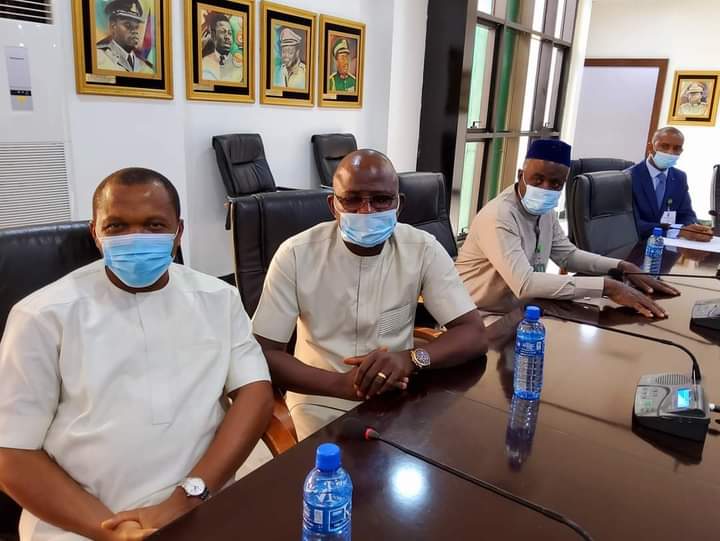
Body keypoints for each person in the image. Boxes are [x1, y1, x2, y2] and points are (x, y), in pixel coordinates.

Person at [0, 168, 273, 541]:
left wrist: (185, 499)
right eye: (116, 226)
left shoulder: (218, 298)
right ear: (95, 234)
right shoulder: (42, 316)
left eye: (154, 225)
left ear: (178, 232)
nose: (136, 238)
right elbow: (12, 453)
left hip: (201, 508)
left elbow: (255, 393)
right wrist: (116, 531)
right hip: (77, 527)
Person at [252, 150, 486, 439]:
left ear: (398, 204)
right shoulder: (296, 255)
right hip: (319, 399)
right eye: (352, 199)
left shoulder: (423, 249)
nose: (366, 211)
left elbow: (473, 333)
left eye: (381, 199)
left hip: (398, 395)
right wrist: (341, 384)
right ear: (333, 205)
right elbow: (264, 352)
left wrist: (413, 358)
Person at [455, 139, 680, 317]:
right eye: (537, 179)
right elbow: (525, 283)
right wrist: (607, 287)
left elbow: (568, 256)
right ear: (521, 175)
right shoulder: (500, 216)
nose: (545, 188)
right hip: (479, 315)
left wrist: (621, 266)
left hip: (521, 309)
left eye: (555, 184)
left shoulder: (544, 210)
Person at [628, 127, 713, 241]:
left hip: (671, 245)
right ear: (650, 147)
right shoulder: (628, 177)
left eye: (676, 148)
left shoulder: (679, 177)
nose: (670, 152)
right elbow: (631, 224)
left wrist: (693, 229)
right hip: (636, 244)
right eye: (664, 146)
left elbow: (687, 214)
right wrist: (675, 232)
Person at [96, 0, 154, 74]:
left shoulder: (145, 66)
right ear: (113, 26)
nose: (134, 31)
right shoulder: (98, 57)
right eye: (128, 25)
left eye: (136, 26)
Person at [201, 12, 243, 83]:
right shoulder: (204, 63)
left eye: (230, 33)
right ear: (213, 35)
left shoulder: (238, 64)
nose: (227, 37)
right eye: (223, 32)